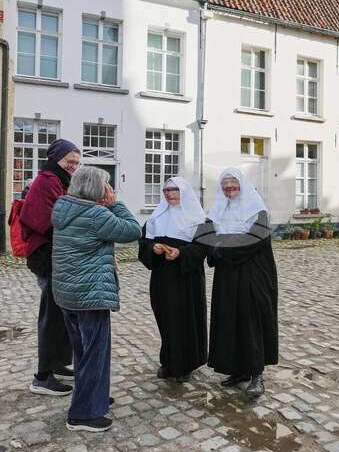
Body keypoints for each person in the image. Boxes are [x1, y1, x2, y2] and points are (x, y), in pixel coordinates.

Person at [51, 166, 142, 431]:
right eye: (107, 186)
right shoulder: (96, 214)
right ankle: (83, 415)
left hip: (68, 293)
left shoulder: (63, 208)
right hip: (91, 294)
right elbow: (133, 231)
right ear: (97, 189)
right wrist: (117, 205)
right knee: (95, 354)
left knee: (83, 352)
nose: (109, 190)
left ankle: (94, 398)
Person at [200, 168, 279, 399]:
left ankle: (257, 373)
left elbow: (253, 239)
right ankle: (238, 370)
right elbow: (205, 234)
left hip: (254, 274)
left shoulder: (258, 211)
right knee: (229, 319)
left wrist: (221, 245)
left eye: (233, 183)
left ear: (242, 185)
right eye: (225, 183)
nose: (229, 187)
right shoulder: (217, 209)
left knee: (251, 321)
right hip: (227, 274)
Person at [18, 139, 81, 397]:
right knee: (51, 315)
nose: (73, 166)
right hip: (47, 256)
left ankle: (56, 363)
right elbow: (56, 218)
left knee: (61, 313)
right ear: (57, 159)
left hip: (57, 255)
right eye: (69, 161)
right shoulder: (47, 180)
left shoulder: (60, 180)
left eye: (77, 163)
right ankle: (42, 376)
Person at [138, 178, 211, 382]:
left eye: (174, 190)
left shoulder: (199, 219)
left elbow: (203, 247)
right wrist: (152, 248)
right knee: (166, 317)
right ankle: (169, 361)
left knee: (186, 318)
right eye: (167, 190)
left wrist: (181, 253)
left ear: (184, 192)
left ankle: (187, 363)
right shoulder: (156, 217)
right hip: (162, 276)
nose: (170, 194)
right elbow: (143, 241)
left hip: (187, 278)